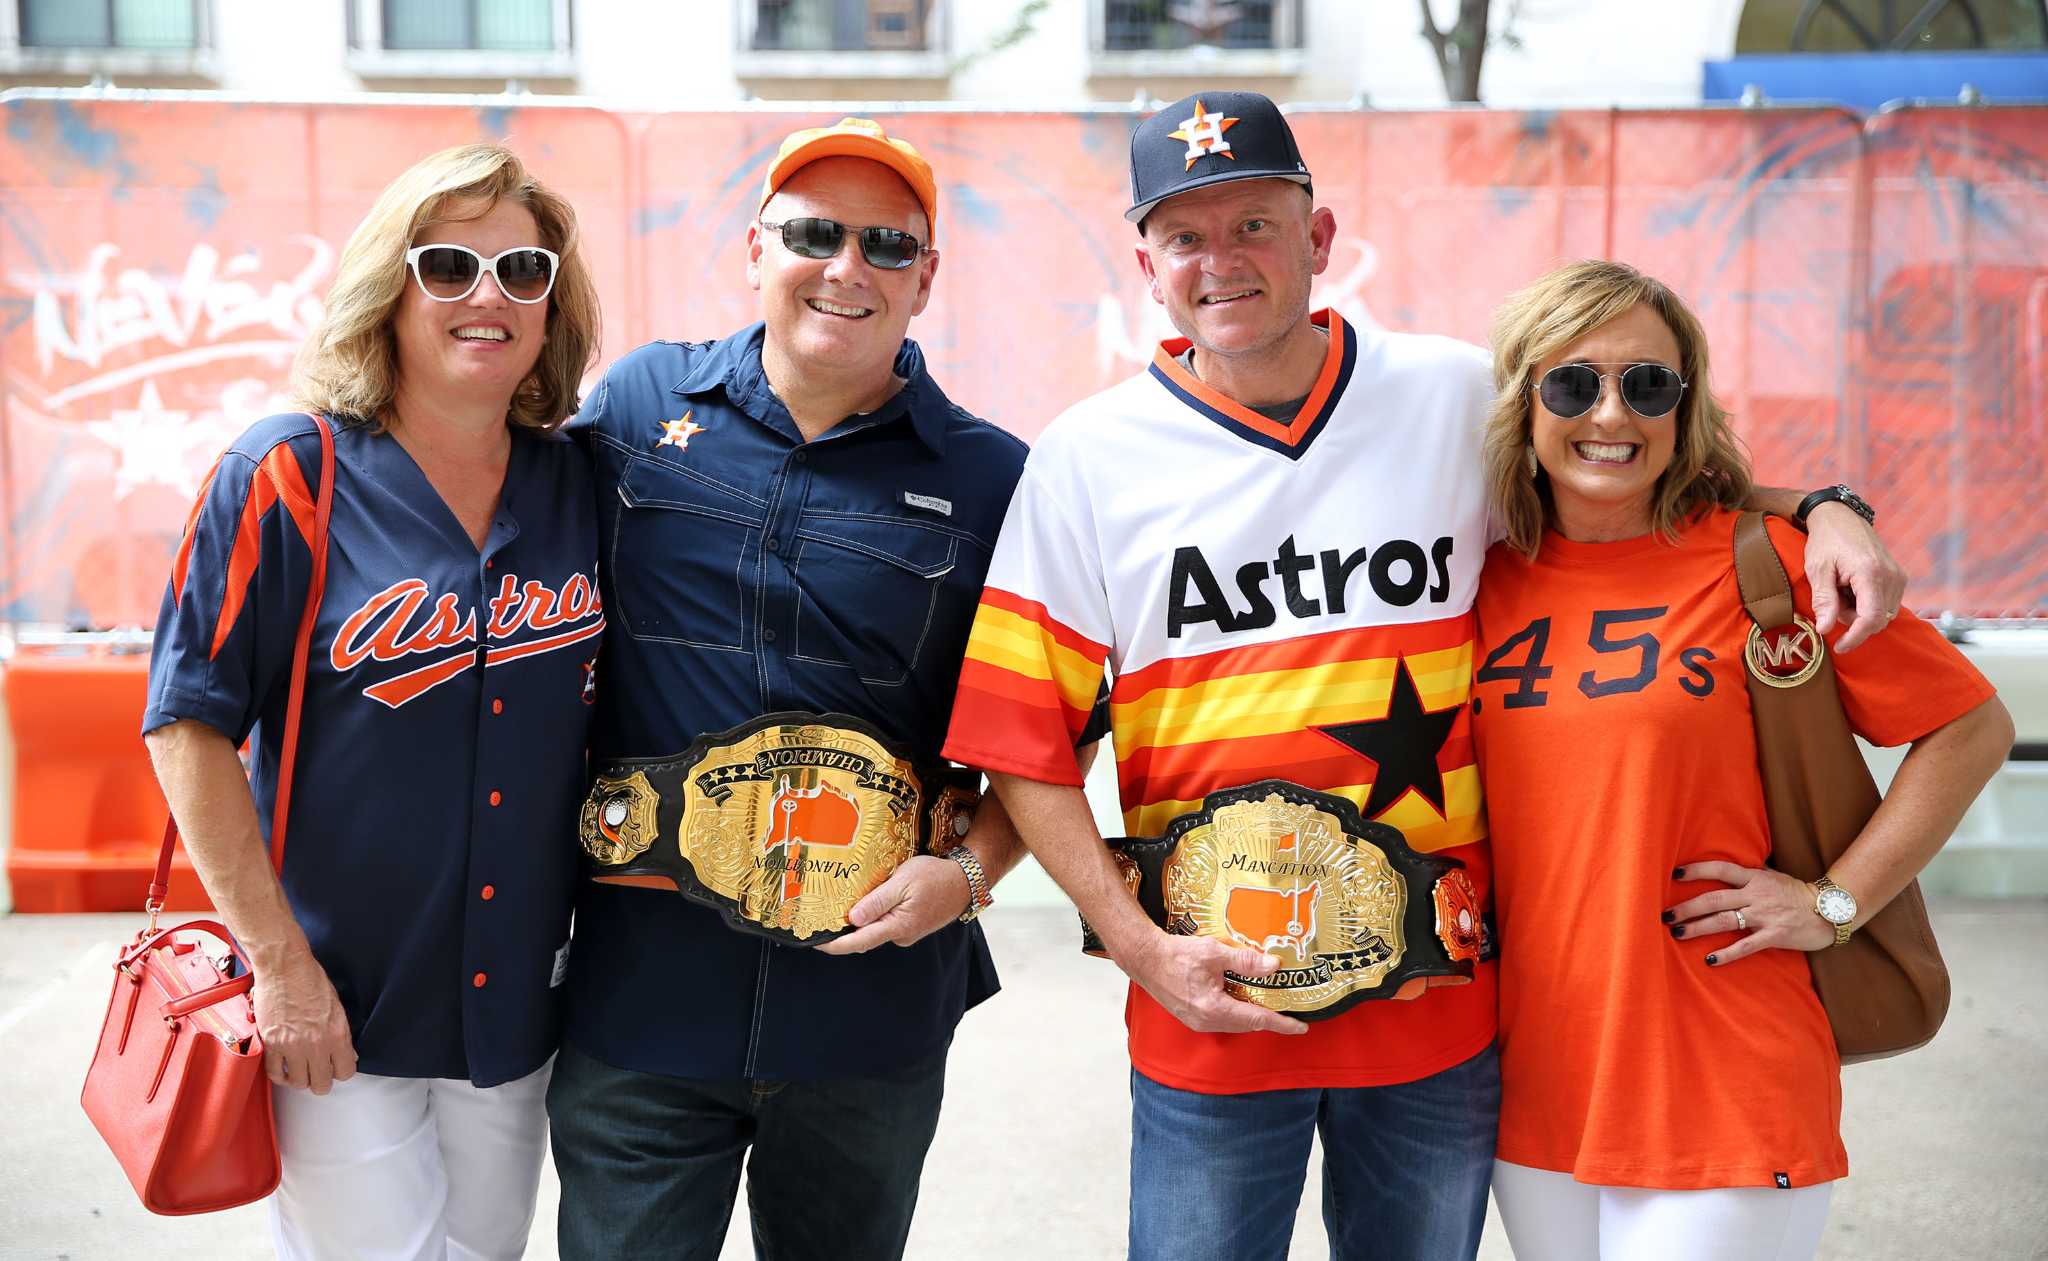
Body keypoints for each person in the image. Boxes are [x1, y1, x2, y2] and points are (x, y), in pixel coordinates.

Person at [941, 91, 1908, 1261]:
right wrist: (1138, 947)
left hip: (1438, 1013)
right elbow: (1019, 740)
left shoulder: (1451, 395)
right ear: (1146, 265)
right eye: (1185, 236)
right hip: (1210, 1002)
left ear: (1320, 238)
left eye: (1253, 223)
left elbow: (1627, 459)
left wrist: (1817, 507)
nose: (1221, 260)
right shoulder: (1086, 458)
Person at [547, 118, 1074, 1261]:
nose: (847, 268)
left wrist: (972, 874)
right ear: (753, 249)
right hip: (642, 1002)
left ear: (926, 278)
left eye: (887, 244)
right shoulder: (637, 411)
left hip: (868, 1012)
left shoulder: (993, 478)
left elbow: (1056, 727)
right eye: (814, 233)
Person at [1471, 259, 2012, 1261]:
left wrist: (1832, 901)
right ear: (1522, 399)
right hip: (1531, 1075)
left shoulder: (1766, 561)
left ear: (1683, 405)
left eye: (1646, 385)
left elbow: (1969, 726)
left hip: (1722, 1058)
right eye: (1570, 382)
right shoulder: (1476, 573)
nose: (1609, 413)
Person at [141, 142, 604, 1259]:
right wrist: (282, 970)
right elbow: (189, 724)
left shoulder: (580, 483)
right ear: (388, 292)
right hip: (336, 1008)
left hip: (517, 1008)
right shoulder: (286, 471)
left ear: (551, 307)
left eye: (521, 271)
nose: (486, 295)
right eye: (447, 265)